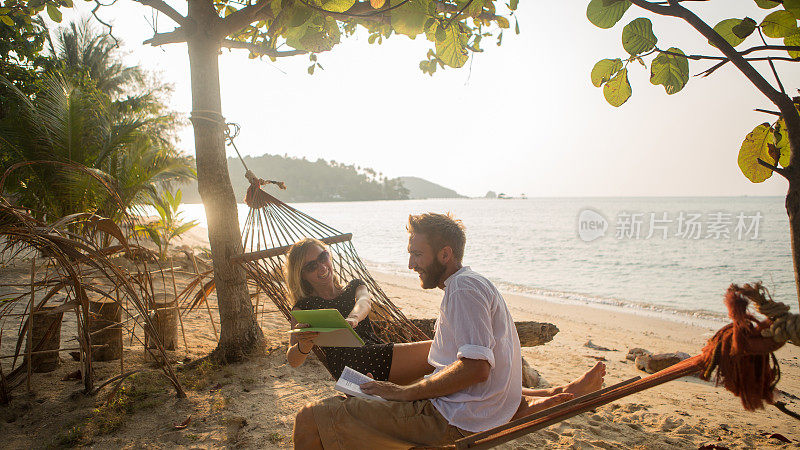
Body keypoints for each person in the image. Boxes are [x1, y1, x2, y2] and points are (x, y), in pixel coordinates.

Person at [292, 213, 606, 449]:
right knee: (425, 364)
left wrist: (404, 392)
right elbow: (475, 367)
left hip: (453, 420)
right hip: (465, 409)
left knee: (308, 419)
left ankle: (535, 401)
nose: (411, 264)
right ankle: (536, 400)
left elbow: (476, 368)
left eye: (417, 254)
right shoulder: (470, 284)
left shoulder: (462, 292)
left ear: (445, 255)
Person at [285, 237, 433, 385]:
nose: (322, 267)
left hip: (375, 351)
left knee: (439, 356)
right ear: (301, 275)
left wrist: (354, 318)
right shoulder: (304, 308)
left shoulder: (354, 286)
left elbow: (364, 301)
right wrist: (303, 345)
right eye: (311, 266)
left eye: (323, 257)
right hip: (352, 368)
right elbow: (293, 360)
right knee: (438, 350)